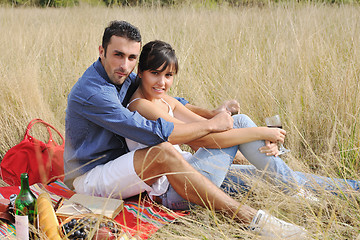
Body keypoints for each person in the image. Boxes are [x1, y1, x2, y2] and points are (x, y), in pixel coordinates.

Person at [64, 20, 308, 238]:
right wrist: (211, 125)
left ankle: (319, 190)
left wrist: (212, 113)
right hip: (92, 177)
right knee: (163, 151)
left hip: (129, 165)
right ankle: (253, 220)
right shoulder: (94, 93)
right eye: (118, 55)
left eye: (131, 58)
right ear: (101, 51)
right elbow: (150, 130)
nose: (124, 64)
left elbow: (168, 98)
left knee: (249, 176)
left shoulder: (124, 74)